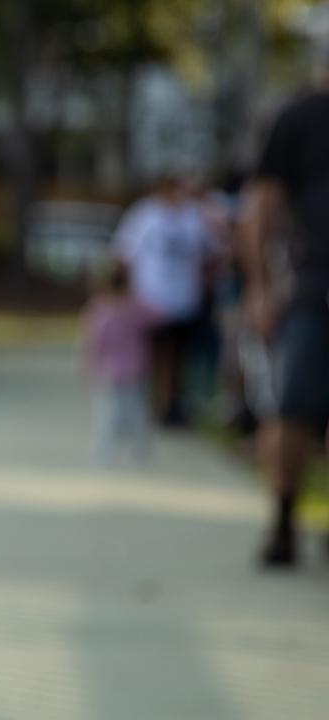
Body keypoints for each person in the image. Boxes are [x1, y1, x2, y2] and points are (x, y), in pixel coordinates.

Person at [241, 37, 329, 569]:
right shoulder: (297, 118)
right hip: (309, 289)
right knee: (291, 412)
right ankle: (283, 519)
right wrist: (259, 288)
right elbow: (261, 210)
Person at [112, 172, 222, 427]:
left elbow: (211, 252)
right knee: (151, 353)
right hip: (150, 299)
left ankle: (171, 403)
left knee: (177, 355)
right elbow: (123, 253)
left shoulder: (193, 216)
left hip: (184, 300)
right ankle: (148, 402)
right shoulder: (144, 215)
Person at [82, 260, 157, 465]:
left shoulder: (99, 308)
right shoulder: (136, 306)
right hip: (136, 366)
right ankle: (140, 449)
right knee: (137, 410)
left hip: (108, 368)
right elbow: (157, 318)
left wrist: (89, 365)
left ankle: (104, 449)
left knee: (106, 412)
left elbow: (94, 341)